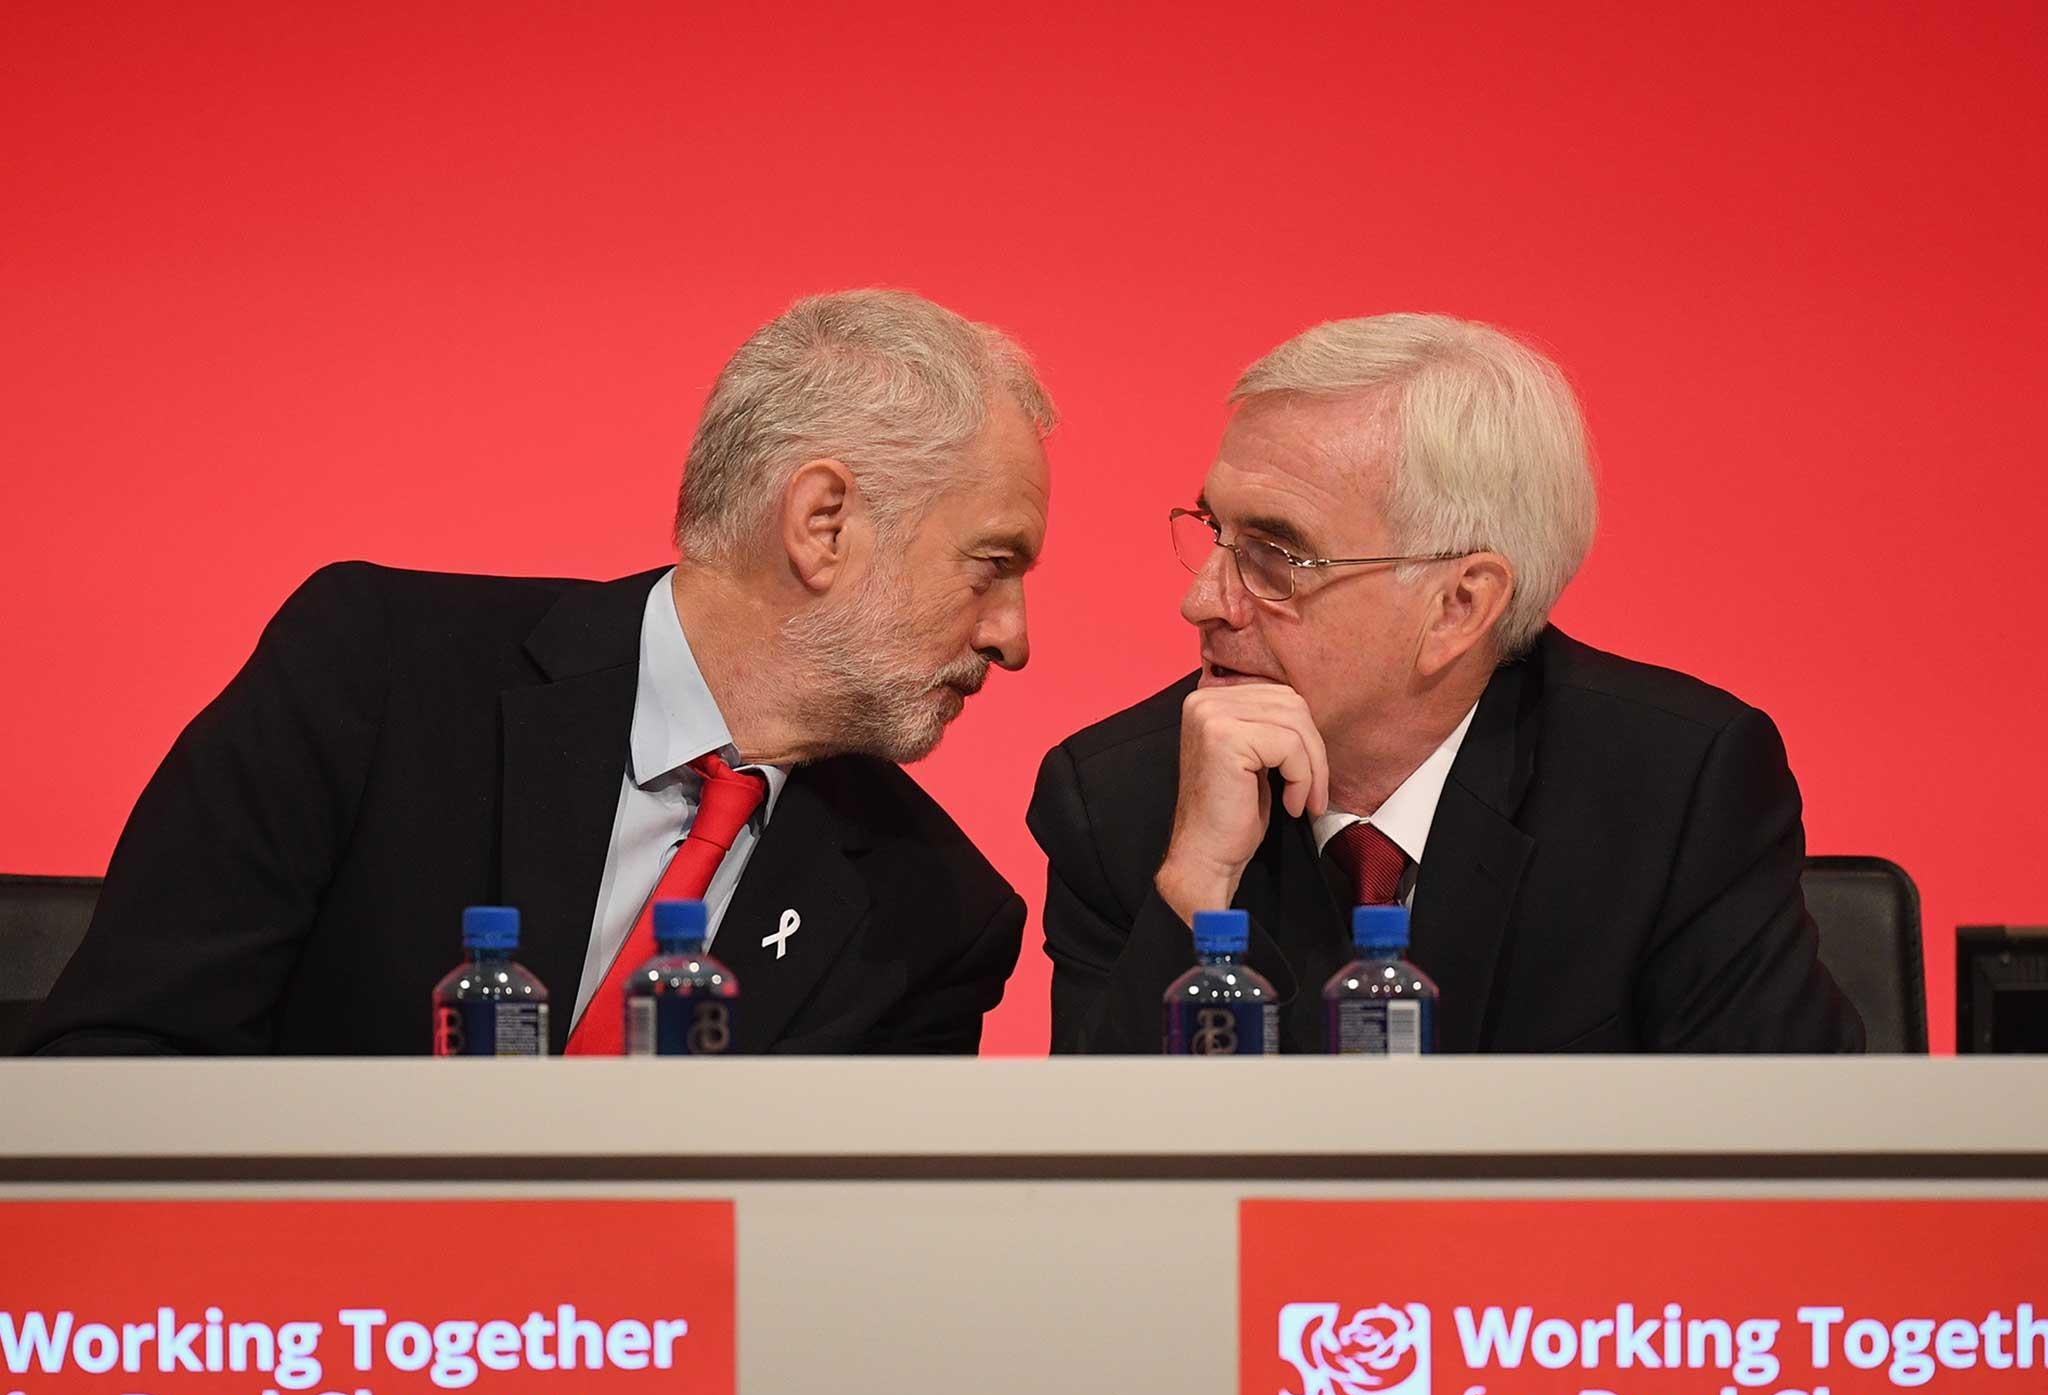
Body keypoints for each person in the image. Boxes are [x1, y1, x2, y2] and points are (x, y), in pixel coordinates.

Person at [18, 289, 1055, 1055]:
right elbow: (120, 1061)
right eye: (992, 566)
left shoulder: (935, 920)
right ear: (822, 525)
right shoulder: (376, 673)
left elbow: (836, 1280)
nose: (1012, 637)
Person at [1029, 313, 1861, 1053]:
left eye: (1276, 558)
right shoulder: (1121, 799)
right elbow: (1092, 1191)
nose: (1201, 600)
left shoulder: (1672, 789)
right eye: (1215, 532)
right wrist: (1196, 879)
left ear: (1459, 606)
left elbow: (1784, 1166)